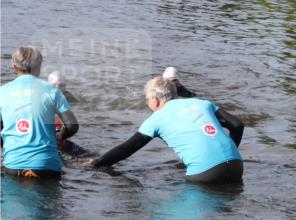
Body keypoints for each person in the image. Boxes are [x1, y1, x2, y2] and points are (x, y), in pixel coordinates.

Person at [90, 76, 244, 184]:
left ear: (155, 100)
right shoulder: (202, 103)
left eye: (147, 100)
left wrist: (96, 163)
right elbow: (237, 125)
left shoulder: (157, 119)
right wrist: (229, 154)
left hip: (205, 174)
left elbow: (127, 149)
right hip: (237, 166)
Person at [0, 46, 79, 178]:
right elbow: (72, 126)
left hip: (13, 166)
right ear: (39, 68)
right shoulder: (53, 91)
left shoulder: (2, 92)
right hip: (47, 167)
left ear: (14, 67)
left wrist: (8, 146)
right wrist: (61, 136)